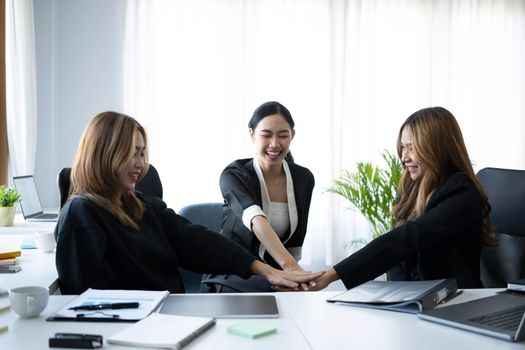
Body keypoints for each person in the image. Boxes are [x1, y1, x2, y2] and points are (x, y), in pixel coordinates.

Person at [54, 111, 323, 295]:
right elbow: (88, 306)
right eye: (131, 153)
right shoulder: (82, 215)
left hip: (166, 318)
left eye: (141, 153)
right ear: (104, 154)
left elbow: (198, 241)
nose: (140, 164)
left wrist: (267, 272)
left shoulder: (141, 205)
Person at [308, 107, 495, 291]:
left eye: (412, 148)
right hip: (416, 300)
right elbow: (397, 259)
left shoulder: (461, 191)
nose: (404, 157)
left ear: (437, 148)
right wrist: (397, 296)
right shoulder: (411, 188)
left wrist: (332, 275)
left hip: (456, 301)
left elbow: (407, 238)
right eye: (403, 147)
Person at [209, 102, 315, 292]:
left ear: (293, 135)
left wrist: (294, 277)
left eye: (283, 135)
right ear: (251, 134)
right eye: (266, 135)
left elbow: (295, 241)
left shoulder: (303, 178)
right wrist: (291, 268)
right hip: (233, 271)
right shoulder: (234, 174)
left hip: (277, 273)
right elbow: (256, 220)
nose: (275, 144)